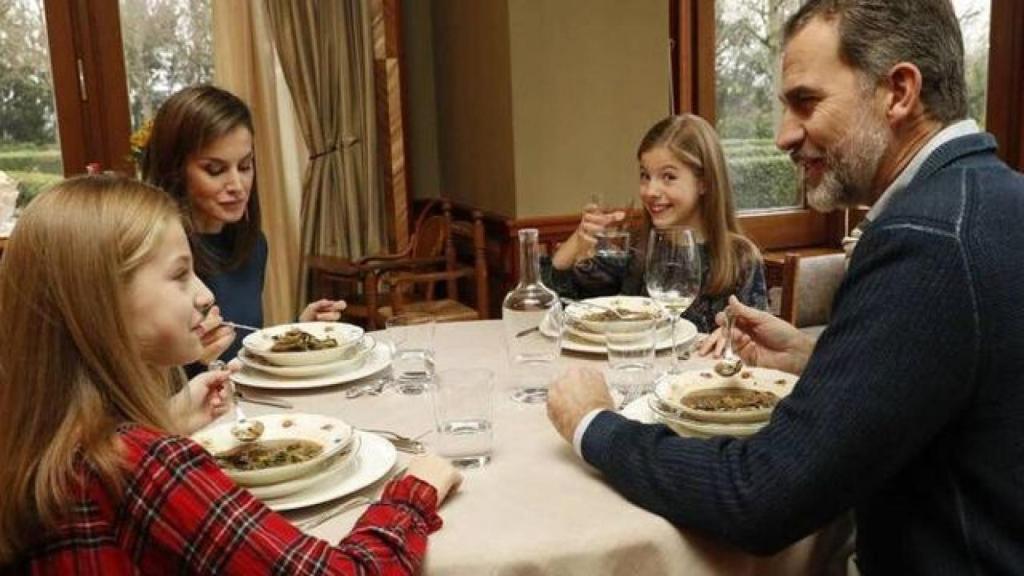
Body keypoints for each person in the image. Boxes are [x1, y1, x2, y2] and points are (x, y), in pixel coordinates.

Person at [546, 1, 1024, 573]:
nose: (782, 137)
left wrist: (594, 425)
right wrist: (819, 357)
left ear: (898, 92)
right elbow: (969, 384)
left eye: (805, 102)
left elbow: (762, 497)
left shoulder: (925, 237)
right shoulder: (996, 198)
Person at [0, 175, 462, 573]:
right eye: (180, 275)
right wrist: (414, 492)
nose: (203, 296)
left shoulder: (38, 444)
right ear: (99, 306)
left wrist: (165, 421)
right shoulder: (141, 467)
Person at [142, 85, 345, 366]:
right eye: (215, 170)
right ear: (174, 170)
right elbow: (138, 382)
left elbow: (241, 347)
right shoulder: (151, 256)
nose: (238, 186)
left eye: (246, 166)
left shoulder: (253, 247)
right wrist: (193, 360)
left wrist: (296, 331)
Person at [543, 114, 767, 333]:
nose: (650, 191)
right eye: (645, 175)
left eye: (668, 177)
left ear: (704, 183)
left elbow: (754, 346)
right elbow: (559, 303)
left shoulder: (741, 258)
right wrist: (580, 237)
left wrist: (734, 340)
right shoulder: (637, 249)